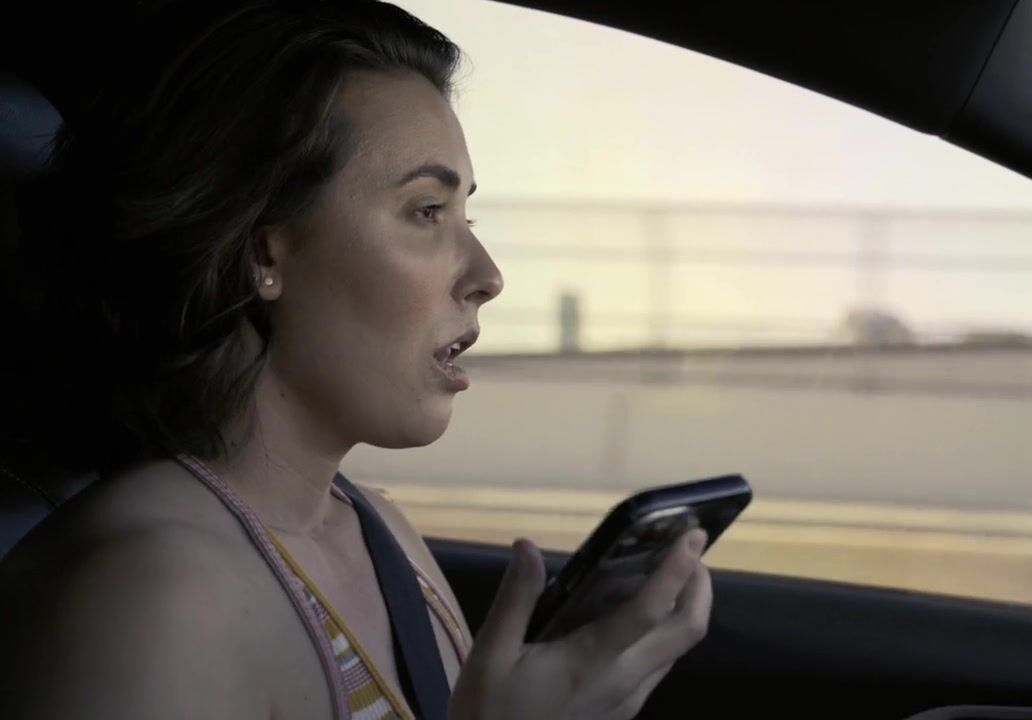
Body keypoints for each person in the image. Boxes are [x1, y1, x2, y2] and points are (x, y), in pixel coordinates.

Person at [0, 1, 712, 718]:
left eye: (466, 215)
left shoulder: (380, 533)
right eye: (426, 212)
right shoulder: (151, 599)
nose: (487, 276)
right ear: (264, 252)